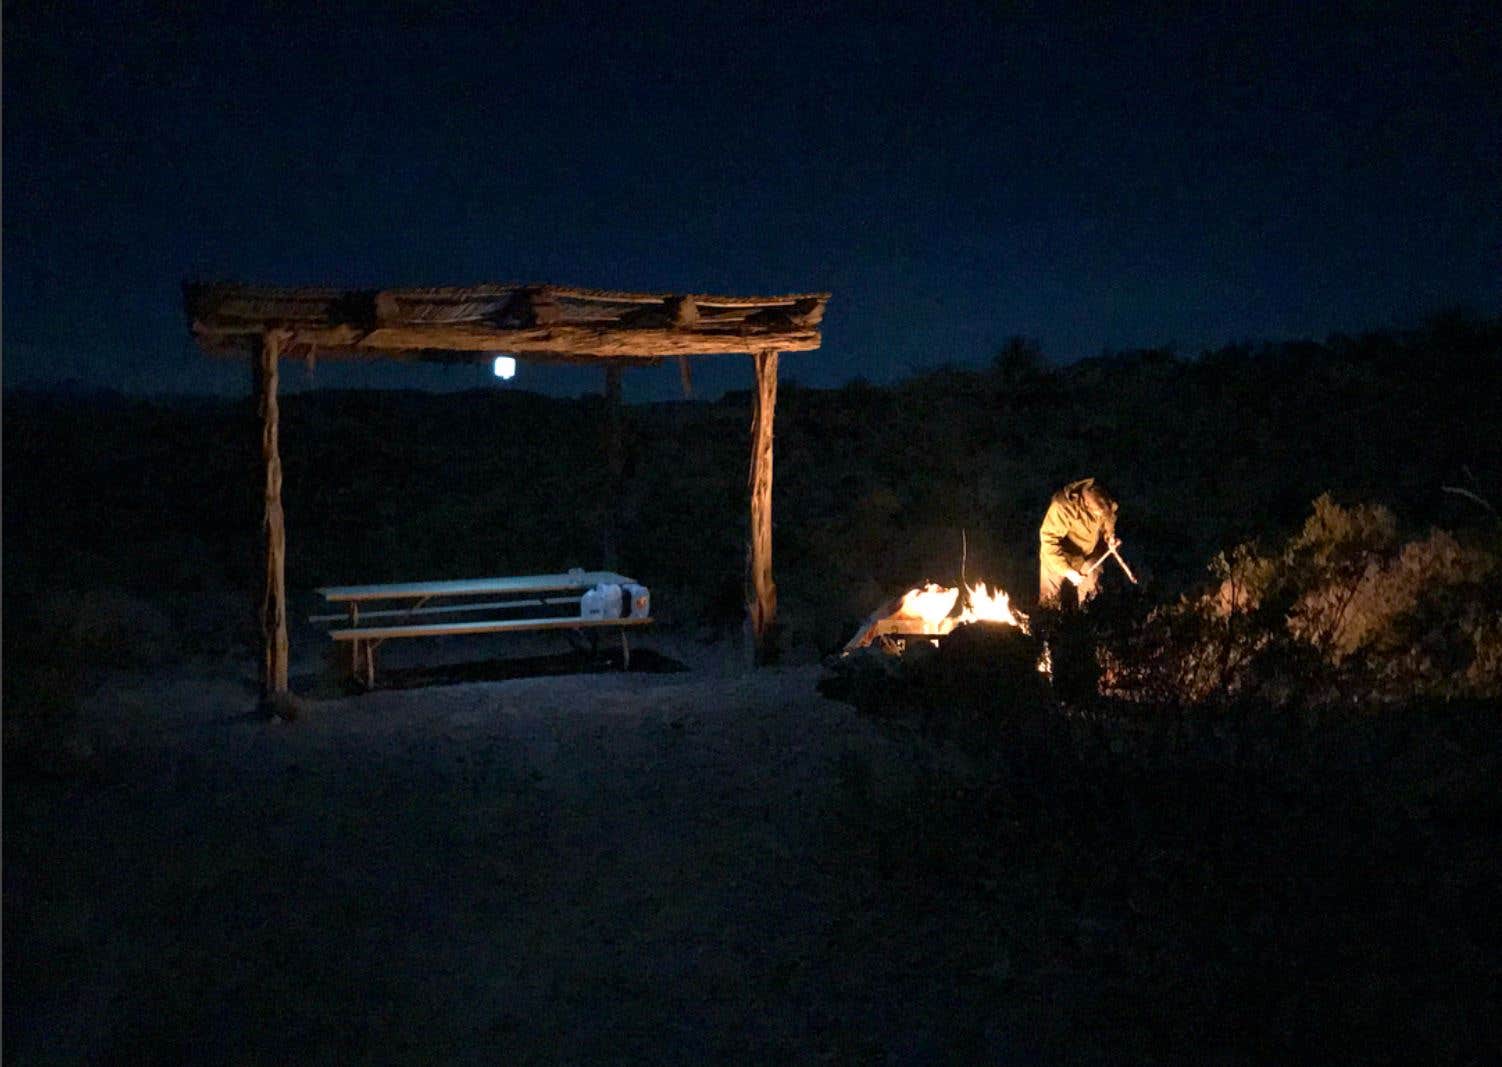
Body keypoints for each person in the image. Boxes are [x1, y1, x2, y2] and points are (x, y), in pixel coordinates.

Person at [1038, 477, 1120, 609]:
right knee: (1050, 594)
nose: (1099, 515)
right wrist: (1068, 571)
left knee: (1093, 584)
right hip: (1061, 553)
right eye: (1096, 512)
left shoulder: (1103, 500)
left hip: (1088, 552)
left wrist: (1110, 537)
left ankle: (1089, 620)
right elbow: (1049, 540)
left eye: (1101, 512)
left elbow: (1108, 518)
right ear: (1086, 504)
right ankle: (1046, 620)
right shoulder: (1062, 506)